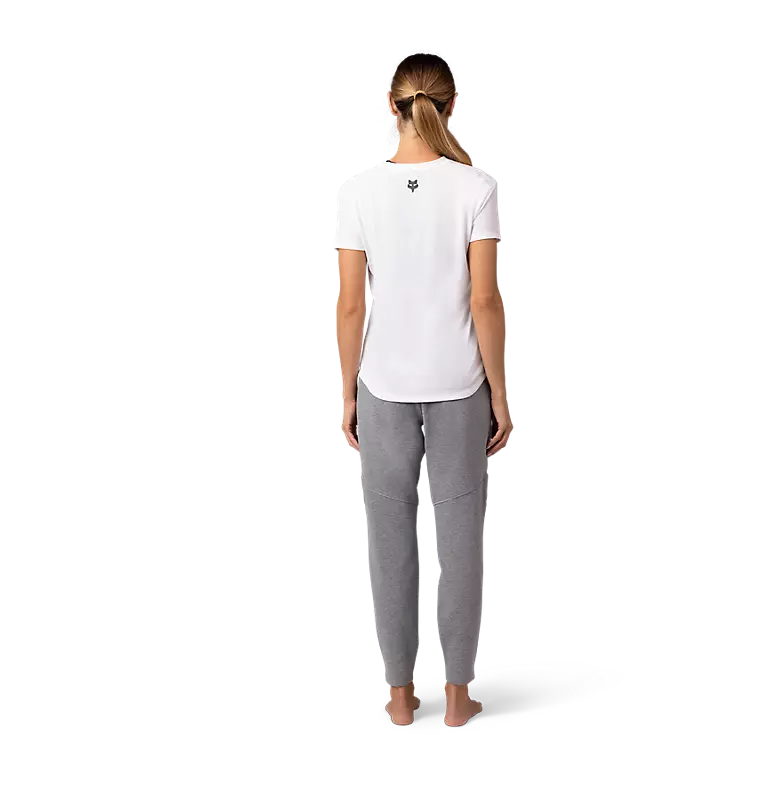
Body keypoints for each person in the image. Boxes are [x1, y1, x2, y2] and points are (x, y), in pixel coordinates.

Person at [334, 51, 513, 727]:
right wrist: (500, 396)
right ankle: (461, 696)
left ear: (392, 103)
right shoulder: (477, 187)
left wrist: (348, 394)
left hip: (382, 385)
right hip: (461, 386)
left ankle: (403, 696)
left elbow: (351, 305)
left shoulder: (356, 191)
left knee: (389, 542)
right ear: (452, 105)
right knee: (461, 541)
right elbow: (485, 300)